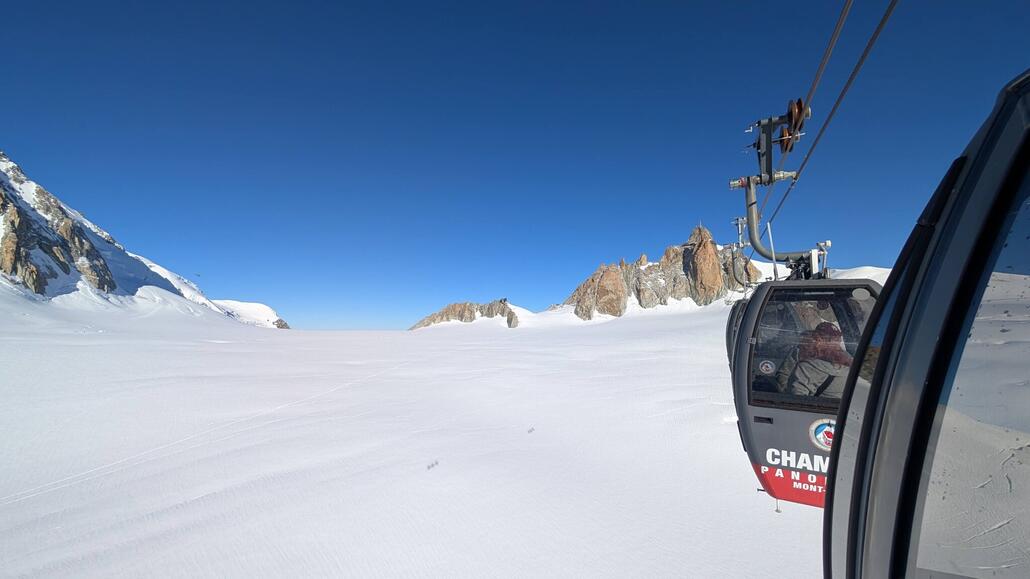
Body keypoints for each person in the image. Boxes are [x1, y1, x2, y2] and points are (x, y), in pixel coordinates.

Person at [780, 322, 854, 398]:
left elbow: (794, 394)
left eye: (837, 339)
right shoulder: (849, 365)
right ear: (818, 338)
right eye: (830, 339)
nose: (836, 343)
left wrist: (783, 392)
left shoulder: (806, 363)